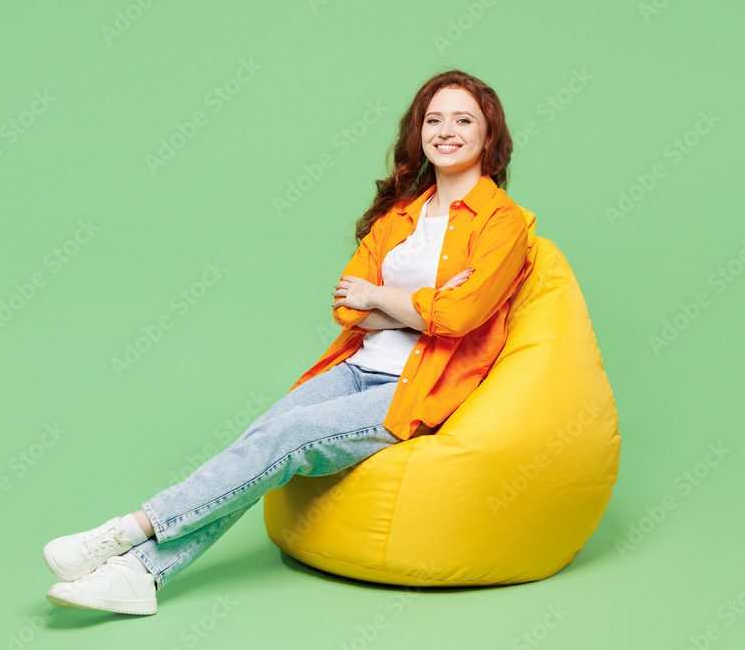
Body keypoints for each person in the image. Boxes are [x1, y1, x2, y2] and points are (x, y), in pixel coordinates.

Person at [42, 68, 534, 615]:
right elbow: (347, 306)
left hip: (416, 389)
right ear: (418, 132)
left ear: (489, 135)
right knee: (261, 438)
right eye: (434, 119)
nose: (446, 131)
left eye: (463, 120)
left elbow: (459, 316)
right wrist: (423, 305)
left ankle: (131, 529)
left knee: (290, 434)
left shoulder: (503, 222)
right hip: (357, 368)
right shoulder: (400, 216)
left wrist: (383, 295)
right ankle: (140, 574)